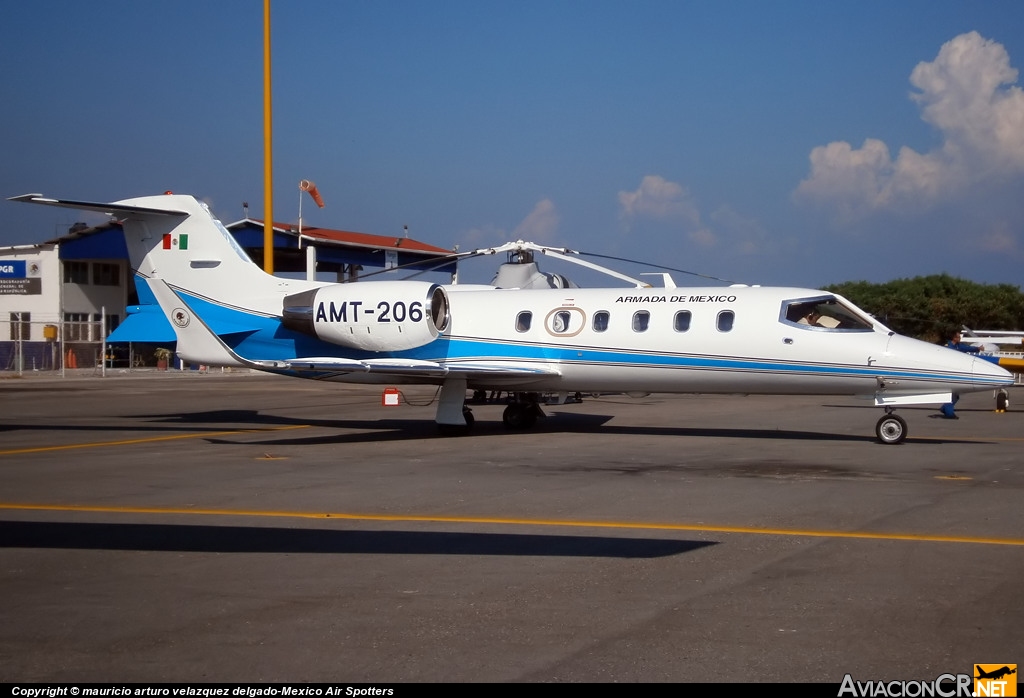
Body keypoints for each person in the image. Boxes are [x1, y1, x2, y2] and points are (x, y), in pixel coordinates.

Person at [940, 331, 980, 419]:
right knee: (952, 394)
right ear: (954, 338)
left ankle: (944, 409)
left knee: (955, 395)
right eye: (958, 337)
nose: (960, 338)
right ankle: (949, 413)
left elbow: (966, 348)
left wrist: (977, 349)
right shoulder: (949, 347)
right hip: (949, 373)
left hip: (955, 372)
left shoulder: (958, 346)